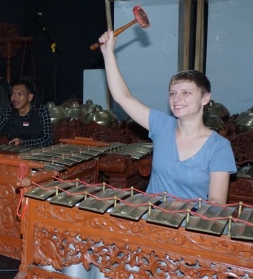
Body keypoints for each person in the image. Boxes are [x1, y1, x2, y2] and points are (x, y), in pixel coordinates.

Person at [97, 30, 236, 204]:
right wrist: (108, 53)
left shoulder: (219, 147)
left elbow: (216, 202)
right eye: (172, 93)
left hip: (188, 222)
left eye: (186, 93)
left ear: (205, 98)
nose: (177, 99)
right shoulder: (162, 125)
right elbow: (123, 97)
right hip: (149, 215)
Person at [0, 78, 53, 147]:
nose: (15, 98)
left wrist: (23, 143)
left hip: (38, 155)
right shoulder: (8, 112)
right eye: (13, 94)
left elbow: (47, 140)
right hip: (15, 155)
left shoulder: (41, 111)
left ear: (29, 97)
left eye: (19, 94)